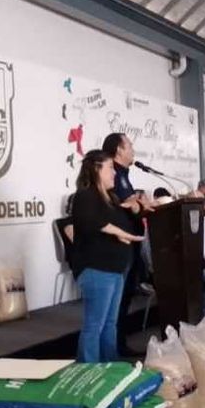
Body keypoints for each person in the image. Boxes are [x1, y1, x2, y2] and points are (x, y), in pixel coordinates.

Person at [70, 150, 144, 363]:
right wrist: (121, 233)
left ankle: (109, 368)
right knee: (95, 325)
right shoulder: (85, 196)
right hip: (96, 269)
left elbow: (123, 222)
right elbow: (92, 222)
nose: (114, 173)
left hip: (115, 269)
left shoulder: (111, 198)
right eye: (110, 168)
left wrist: (135, 208)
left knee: (110, 323)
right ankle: (88, 371)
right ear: (96, 169)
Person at [102, 133, 153, 357]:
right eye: (129, 145)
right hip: (119, 248)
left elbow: (132, 203)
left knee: (123, 300)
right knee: (117, 303)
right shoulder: (114, 175)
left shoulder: (123, 174)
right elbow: (126, 205)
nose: (133, 149)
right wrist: (137, 203)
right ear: (119, 150)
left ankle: (118, 345)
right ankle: (114, 349)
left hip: (130, 247)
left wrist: (139, 203)